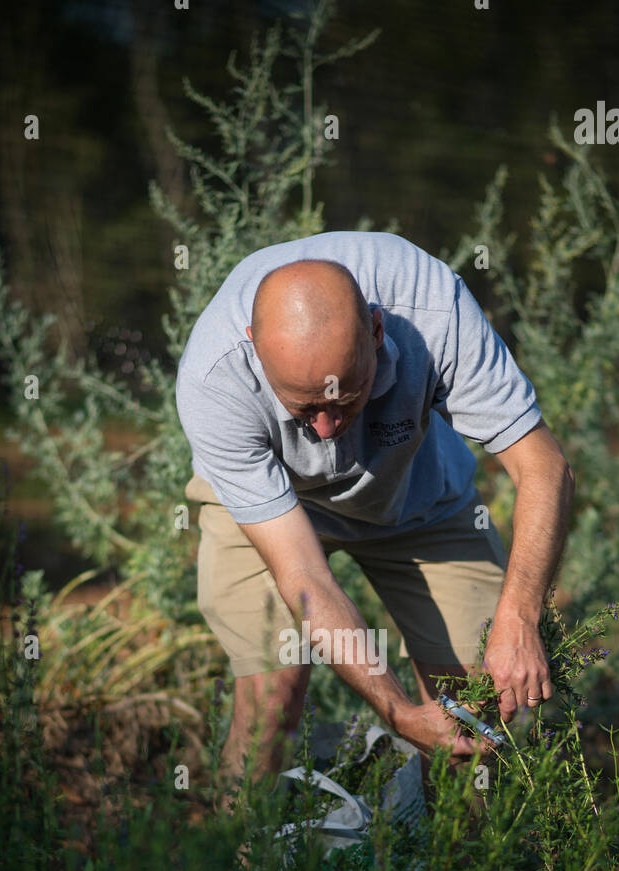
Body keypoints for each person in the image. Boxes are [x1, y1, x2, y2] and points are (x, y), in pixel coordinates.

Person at [176, 230, 574, 809]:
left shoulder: (436, 312)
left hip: (415, 498)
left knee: (478, 705)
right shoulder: (216, 378)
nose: (327, 429)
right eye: (304, 408)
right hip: (273, 513)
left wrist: (520, 617)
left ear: (378, 329)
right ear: (254, 352)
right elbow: (305, 579)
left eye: (345, 398)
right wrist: (397, 711)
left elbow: (545, 466)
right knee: (272, 693)